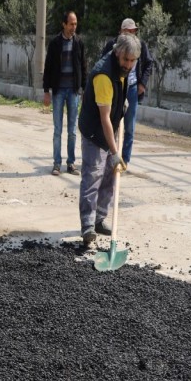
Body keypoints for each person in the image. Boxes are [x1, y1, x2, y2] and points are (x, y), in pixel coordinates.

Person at [78, 33, 141, 248]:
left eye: (133, 61)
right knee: (93, 176)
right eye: (125, 60)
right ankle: (87, 226)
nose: (129, 65)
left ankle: (99, 219)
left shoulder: (124, 70)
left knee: (109, 176)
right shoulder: (104, 74)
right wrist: (115, 153)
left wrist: (121, 106)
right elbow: (103, 118)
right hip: (95, 130)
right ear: (116, 53)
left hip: (109, 126)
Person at [101, 18, 153, 167]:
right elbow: (103, 62)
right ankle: (111, 156)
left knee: (129, 127)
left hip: (132, 89)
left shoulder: (140, 45)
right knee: (112, 124)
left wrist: (142, 83)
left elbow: (149, 62)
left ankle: (125, 160)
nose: (131, 34)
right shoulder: (113, 45)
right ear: (121, 31)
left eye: (133, 31)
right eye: (128, 31)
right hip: (115, 89)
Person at [43, 11, 87, 176]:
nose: (74, 27)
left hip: (74, 92)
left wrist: (84, 89)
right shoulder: (55, 43)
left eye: (75, 24)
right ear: (64, 24)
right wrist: (46, 91)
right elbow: (47, 68)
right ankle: (56, 164)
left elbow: (83, 67)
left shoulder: (79, 43)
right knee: (57, 130)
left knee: (72, 130)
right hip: (58, 91)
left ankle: (71, 163)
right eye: (71, 24)